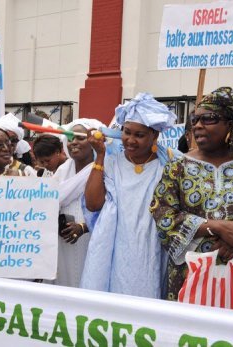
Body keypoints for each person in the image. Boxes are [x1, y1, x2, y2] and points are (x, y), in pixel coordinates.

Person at [150, 87, 233, 301]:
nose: (198, 125)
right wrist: (217, 227)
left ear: (232, 124)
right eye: (194, 119)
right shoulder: (178, 166)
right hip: (190, 273)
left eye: (209, 119)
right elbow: (162, 214)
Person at [80, 92, 178, 299]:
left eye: (139, 135)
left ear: (155, 136)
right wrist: (100, 155)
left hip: (151, 245)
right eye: (126, 132)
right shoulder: (111, 159)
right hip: (113, 246)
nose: (130, 140)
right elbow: (93, 203)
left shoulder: (170, 163)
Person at [51, 118, 103, 287]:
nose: (74, 142)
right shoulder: (62, 170)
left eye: (80, 138)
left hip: (91, 238)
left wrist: (83, 226)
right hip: (63, 241)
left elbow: (109, 209)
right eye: (71, 138)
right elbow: (49, 201)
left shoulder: (104, 168)